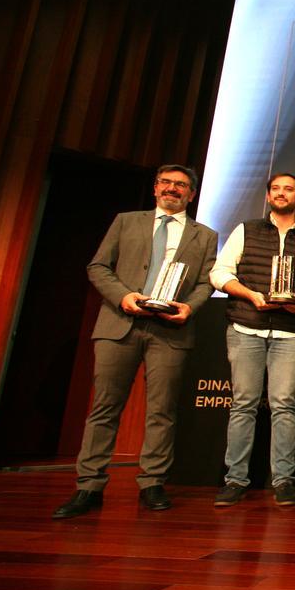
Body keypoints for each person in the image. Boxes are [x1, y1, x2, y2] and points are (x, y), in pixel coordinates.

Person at [53, 165, 217, 518]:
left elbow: (206, 282)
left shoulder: (205, 235)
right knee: (104, 408)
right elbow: (98, 267)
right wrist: (123, 297)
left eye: (181, 185)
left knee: (162, 410)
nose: (172, 189)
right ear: (156, 188)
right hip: (119, 324)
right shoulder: (126, 221)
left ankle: (153, 483)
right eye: (166, 183)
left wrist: (190, 306)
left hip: (170, 330)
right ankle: (89, 486)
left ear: (191, 193)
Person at [211, 173, 295, 508]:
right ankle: (235, 480)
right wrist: (250, 295)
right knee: (244, 404)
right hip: (247, 327)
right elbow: (219, 273)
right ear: (268, 196)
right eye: (275, 189)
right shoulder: (246, 230)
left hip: (291, 333)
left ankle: (284, 480)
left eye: (288, 189)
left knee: (284, 405)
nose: (281, 193)